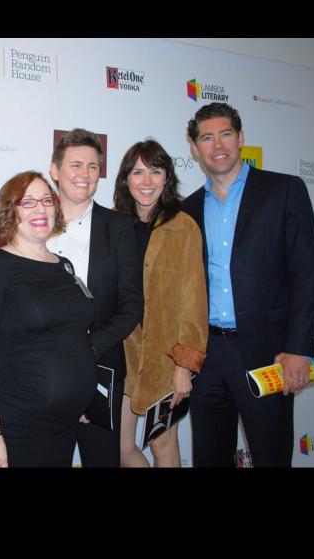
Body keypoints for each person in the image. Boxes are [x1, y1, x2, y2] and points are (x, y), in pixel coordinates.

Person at [184, 102, 314, 467]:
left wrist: (299, 349)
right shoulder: (187, 210)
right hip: (207, 356)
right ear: (195, 148)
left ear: (241, 137)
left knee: (271, 456)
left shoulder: (284, 190)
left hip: (268, 353)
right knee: (209, 458)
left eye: (225, 134)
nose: (217, 145)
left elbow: (306, 275)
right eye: (207, 138)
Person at [0, 171, 99, 468]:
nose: (41, 209)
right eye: (28, 202)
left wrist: (76, 396)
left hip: (66, 422)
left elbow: (70, 338)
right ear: (9, 212)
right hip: (19, 425)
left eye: (47, 200)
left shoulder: (64, 266)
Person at [46, 129, 143, 467]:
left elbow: (132, 305)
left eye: (92, 167)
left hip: (100, 369)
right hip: (41, 373)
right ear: (55, 170)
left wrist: (87, 349)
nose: (85, 174)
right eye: (75, 165)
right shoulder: (31, 222)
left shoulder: (119, 228)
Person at [114, 139, 208, 467]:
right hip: (122, 355)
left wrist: (184, 368)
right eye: (138, 172)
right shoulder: (113, 225)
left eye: (155, 171)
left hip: (166, 361)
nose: (147, 181)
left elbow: (194, 304)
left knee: (163, 446)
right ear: (126, 179)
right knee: (120, 448)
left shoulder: (184, 228)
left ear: (167, 177)